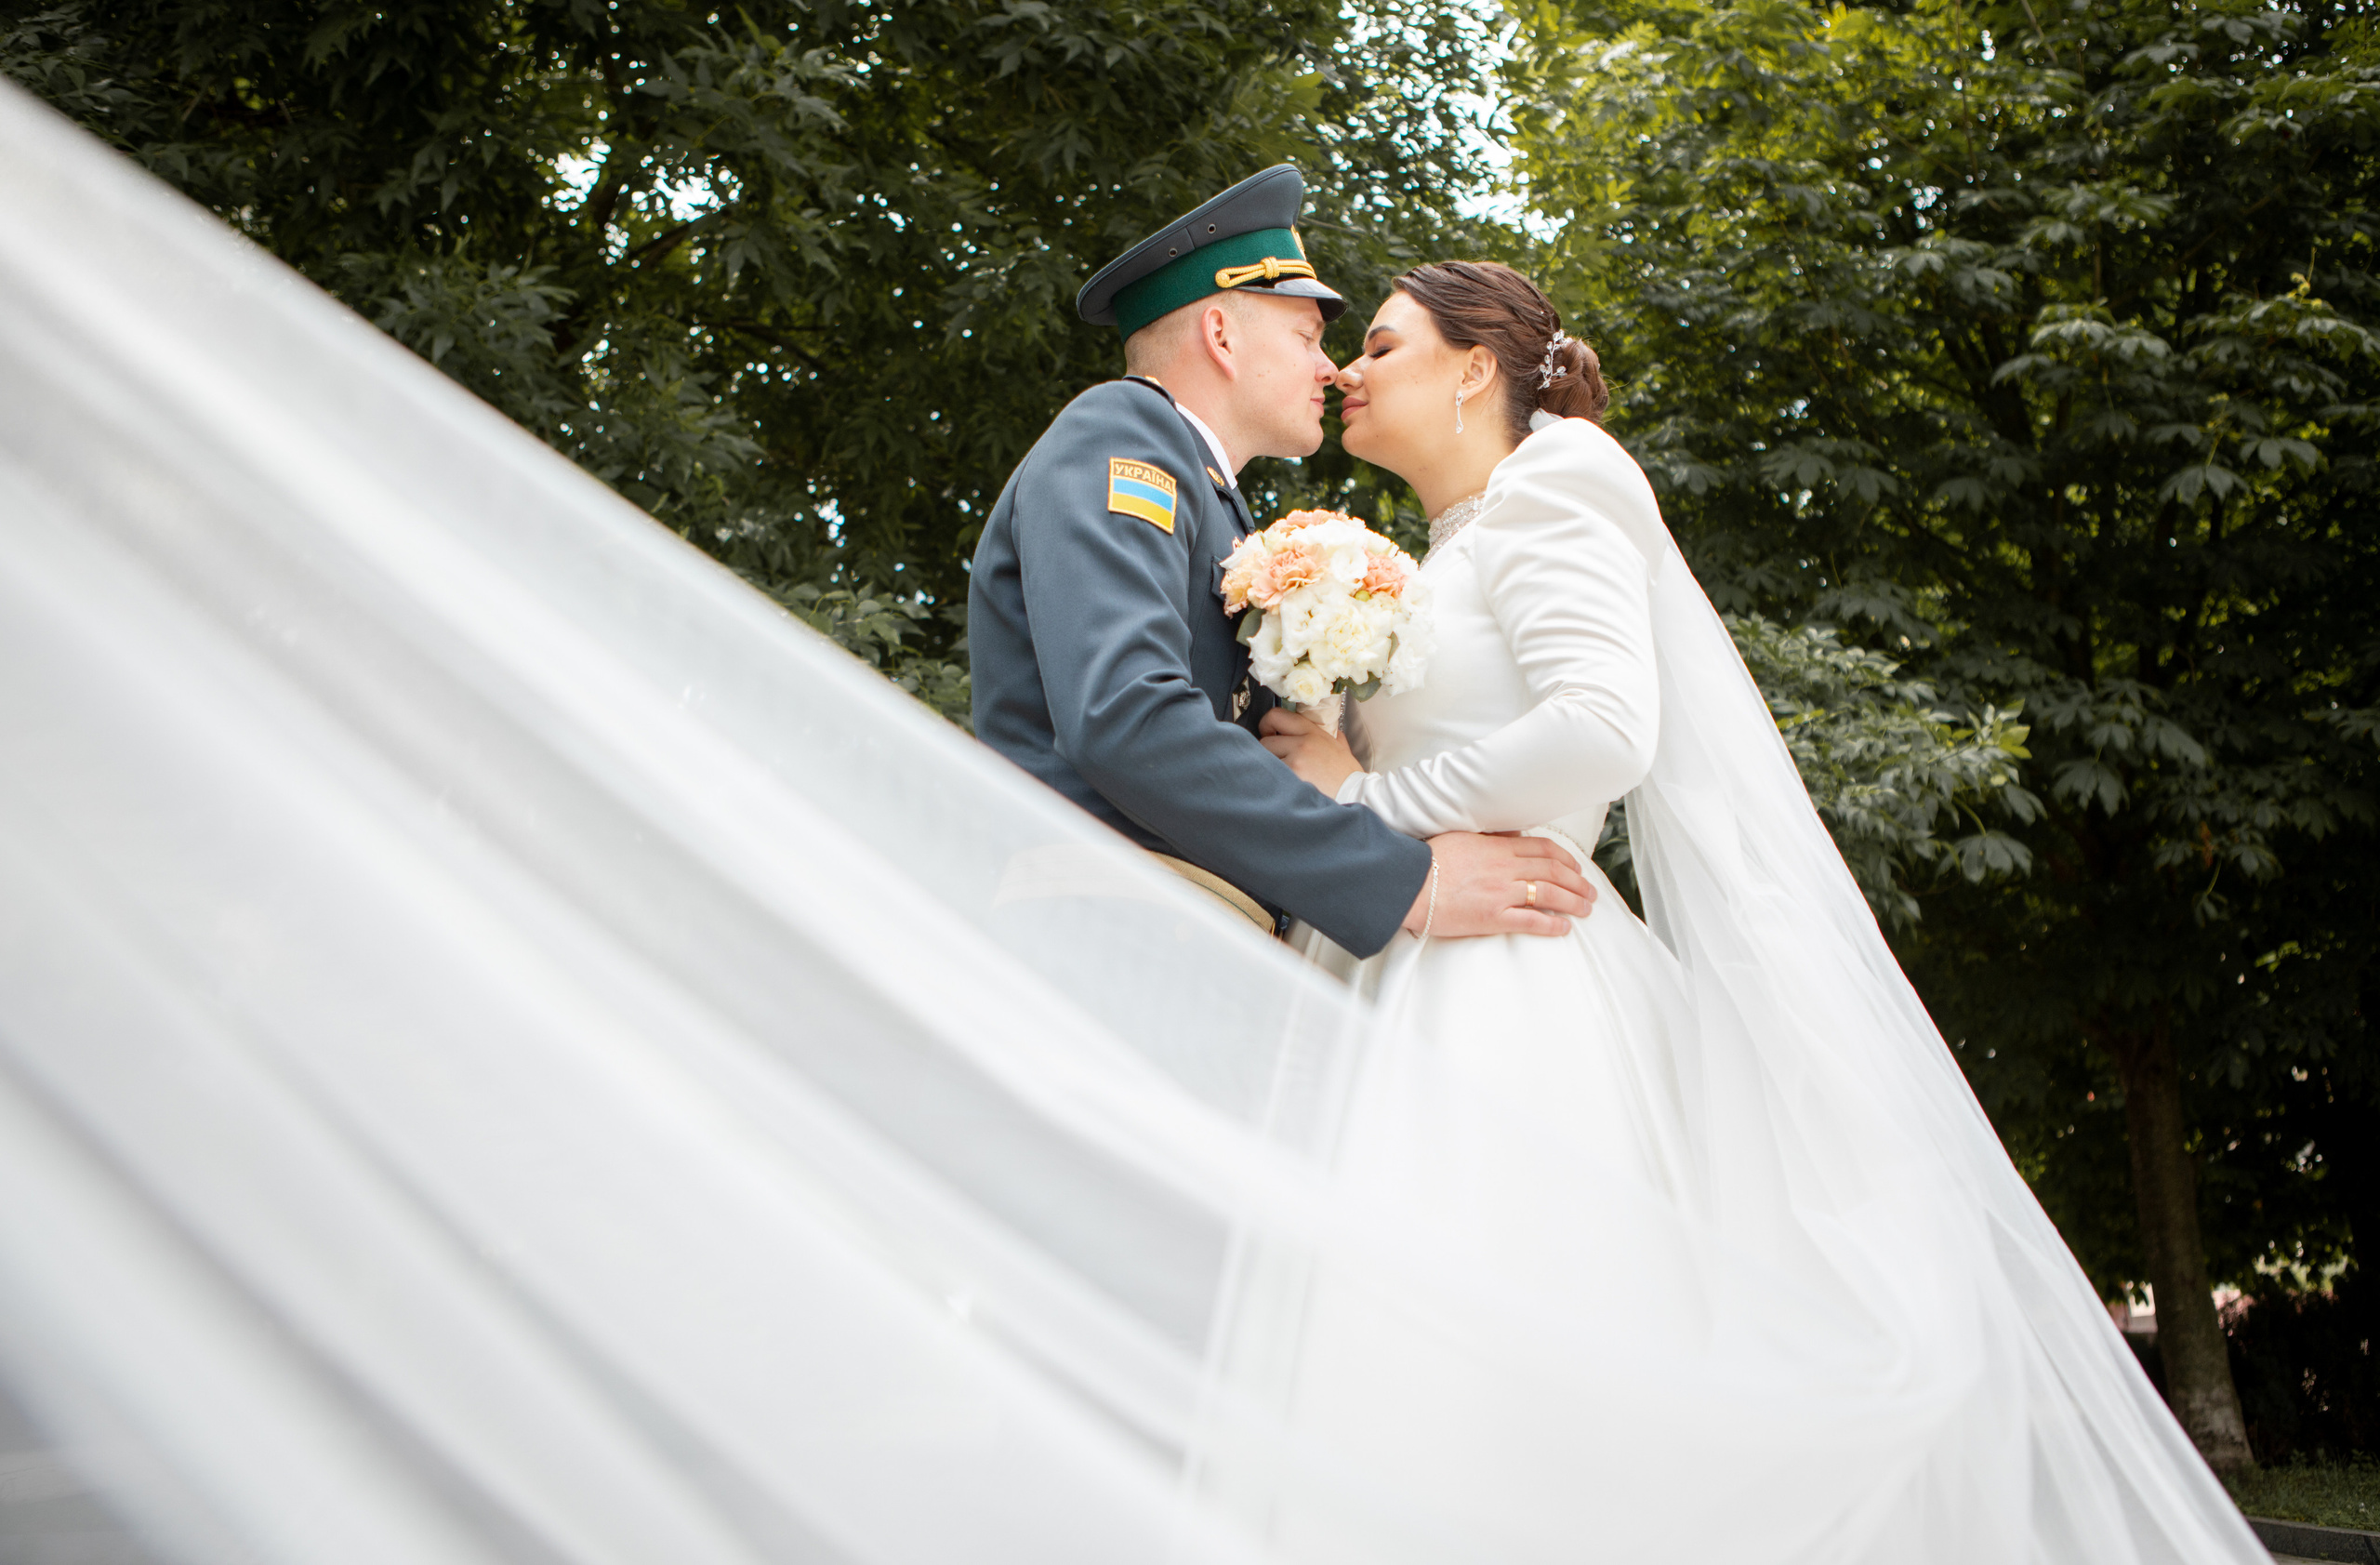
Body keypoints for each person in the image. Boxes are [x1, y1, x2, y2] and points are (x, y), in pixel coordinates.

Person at [1240, 260, 2270, 1563]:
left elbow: (1602, 727)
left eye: (1380, 345)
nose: (1348, 369)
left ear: (1472, 369)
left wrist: (1366, 802)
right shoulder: (1426, 555)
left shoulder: (1557, 485)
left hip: (1512, 983)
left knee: (1500, 1360)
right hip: (1394, 959)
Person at [967, 168, 1589, 957]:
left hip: (1179, 940)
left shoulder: (1212, 498)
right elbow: (1127, 714)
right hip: (1113, 932)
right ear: (1222, 336)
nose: (1331, 369)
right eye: (1306, 338)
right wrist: (1410, 878)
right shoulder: (1123, 431)